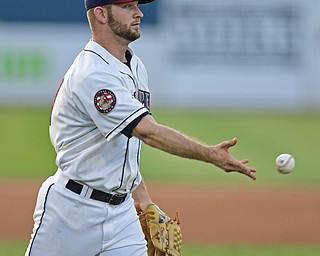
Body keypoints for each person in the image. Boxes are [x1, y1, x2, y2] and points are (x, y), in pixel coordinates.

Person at [25, 0, 256, 255]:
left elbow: (126, 145)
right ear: (101, 14)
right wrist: (210, 154)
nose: (139, 13)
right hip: (71, 214)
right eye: (128, 7)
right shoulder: (92, 73)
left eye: (137, 5)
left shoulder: (135, 66)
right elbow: (147, 132)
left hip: (122, 215)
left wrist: (143, 198)